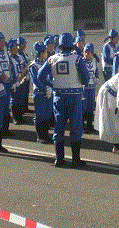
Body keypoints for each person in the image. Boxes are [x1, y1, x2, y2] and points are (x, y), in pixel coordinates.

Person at [37, 33, 90, 168]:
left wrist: (52, 83)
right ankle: (75, 159)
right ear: (71, 44)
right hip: (74, 96)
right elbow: (85, 78)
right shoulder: (77, 59)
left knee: (59, 126)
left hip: (59, 95)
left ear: (59, 45)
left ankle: (59, 159)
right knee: (76, 126)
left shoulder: (52, 59)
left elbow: (40, 75)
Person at [30, 43, 52, 143]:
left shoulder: (47, 63)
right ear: (41, 53)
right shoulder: (33, 65)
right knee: (40, 114)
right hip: (39, 92)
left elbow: (50, 76)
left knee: (47, 114)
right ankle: (40, 136)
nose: (47, 53)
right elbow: (35, 80)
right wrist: (44, 89)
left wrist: (50, 87)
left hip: (48, 91)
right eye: (45, 52)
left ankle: (46, 134)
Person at [0, 32, 14, 136]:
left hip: (7, 82)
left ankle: (6, 129)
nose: (2, 43)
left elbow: (10, 66)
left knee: (7, 106)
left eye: (3, 41)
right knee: (0, 107)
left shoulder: (6, 52)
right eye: (0, 41)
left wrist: (13, 80)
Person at [8, 38, 27, 124]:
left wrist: (26, 75)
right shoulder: (9, 58)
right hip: (14, 81)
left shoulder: (20, 57)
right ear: (10, 49)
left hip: (21, 80)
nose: (16, 49)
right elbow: (10, 71)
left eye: (16, 47)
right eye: (14, 48)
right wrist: (13, 82)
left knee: (21, 99)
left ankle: (20, 116)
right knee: (14, 100)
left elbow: (24, 66)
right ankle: (15, 118)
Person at [82, 43, 99, 133]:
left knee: (90, 106)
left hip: (92, 87)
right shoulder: (80, 61)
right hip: (83, 87)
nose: (87, 54)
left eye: (89, 52)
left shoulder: (94, 61)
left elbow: (96, 71)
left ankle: (89, 125)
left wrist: (97, 78)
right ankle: (81, 125)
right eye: (85, 52)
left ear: (92, 53)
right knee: (82, 106)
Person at [17, 36, 30, 116]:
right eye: (22, 44)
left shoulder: (24, 53)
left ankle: (25, 108)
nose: (24, 45)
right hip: (21, 77)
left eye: (24, 44)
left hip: (26, 76)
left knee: (25, 93)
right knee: (20, 96)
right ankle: (19, 113)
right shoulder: (18, 54)